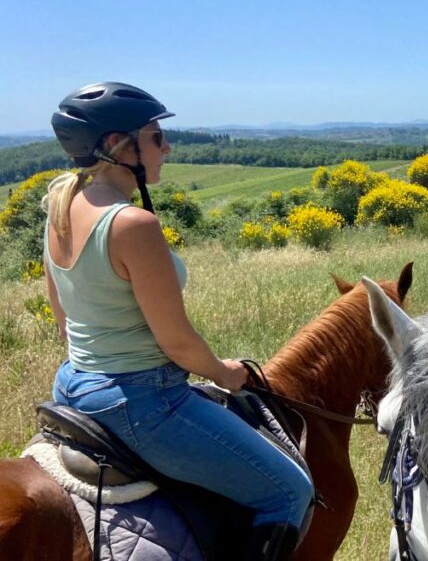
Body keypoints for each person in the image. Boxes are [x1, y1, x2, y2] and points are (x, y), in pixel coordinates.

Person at [43, 82, 313, 560]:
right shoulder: (131, 225)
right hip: (143, 401)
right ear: (115, 146)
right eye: (155, 136)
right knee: (288, 491)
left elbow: (62, 319)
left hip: (75, 383)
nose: (168, 147)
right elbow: (178, 344)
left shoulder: (61, 205)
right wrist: (229, 374)